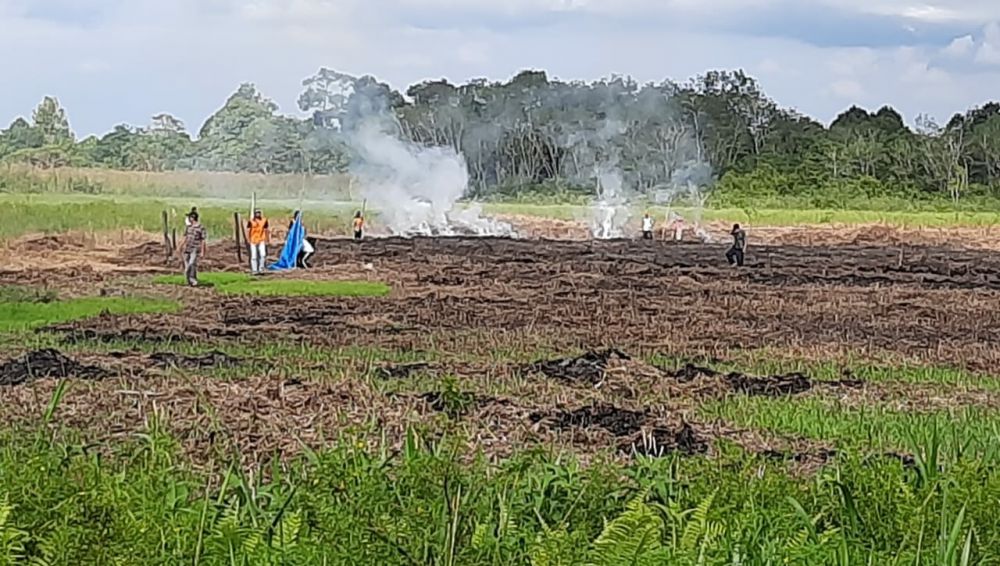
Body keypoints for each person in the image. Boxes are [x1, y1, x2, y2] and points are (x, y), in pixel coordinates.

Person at [178, 211, 207, 286]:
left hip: (195, 248)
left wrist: (203, 251)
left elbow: (203, 240)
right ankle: (189, 280)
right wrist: (180, 246)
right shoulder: (188, 227)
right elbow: (185, 237)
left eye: (189, 217)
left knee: (192, 263)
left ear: (192, 218)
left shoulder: (201, 228)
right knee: (187, 265)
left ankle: (192, 279)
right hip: (187, 248)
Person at [246, 209, 270, 274]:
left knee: (263, 255)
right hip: (253, 240)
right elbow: (248, 230)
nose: (258, 214)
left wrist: (267, 239)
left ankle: (261, 269)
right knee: (254, 256)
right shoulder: (251, 221)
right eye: (256, 213)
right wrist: (248, 239)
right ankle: (254, 270)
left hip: (261, 239)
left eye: (259, 213)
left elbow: (266, 230)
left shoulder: (264, 220)